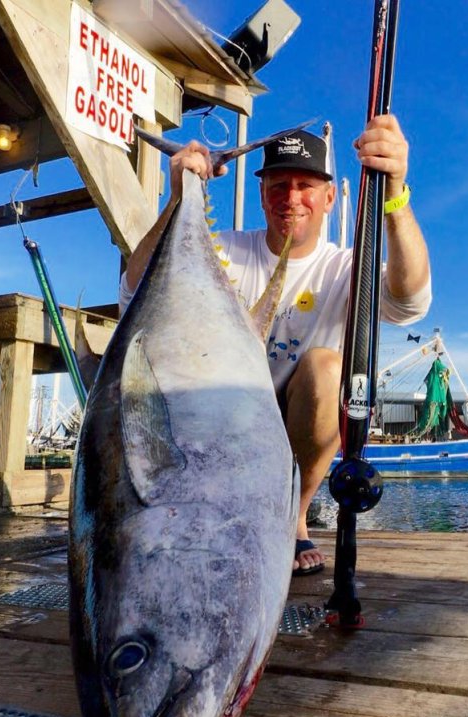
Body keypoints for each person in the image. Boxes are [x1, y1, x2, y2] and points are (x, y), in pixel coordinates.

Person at [120, 114, 431, 576]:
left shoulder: (346, 267)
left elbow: (409, 300)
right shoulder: (219, 249)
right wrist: (179, 200)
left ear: (328, 198)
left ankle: (293, 515)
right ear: (262, 193)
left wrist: (395, 195)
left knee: (328, 368)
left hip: (293, 425)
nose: (291, 198)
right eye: (278, 184)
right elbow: (134, 289)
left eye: (305, 185)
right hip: (220, 418)